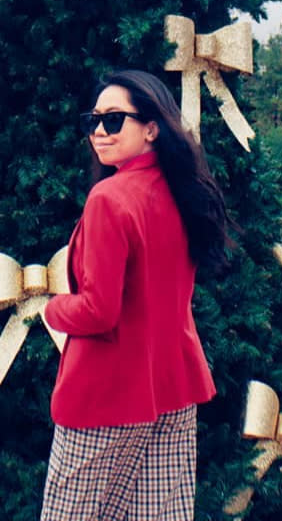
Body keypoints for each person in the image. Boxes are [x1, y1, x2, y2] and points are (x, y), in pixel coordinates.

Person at [40, 69, 231, 521]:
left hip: (105, 392)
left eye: (113, 120)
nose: (99, 132)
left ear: (151, 127)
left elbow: (97, 311)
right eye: (93, 120)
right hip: (174, 385)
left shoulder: (109, 198)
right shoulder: (184, 192)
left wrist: (51, 306)